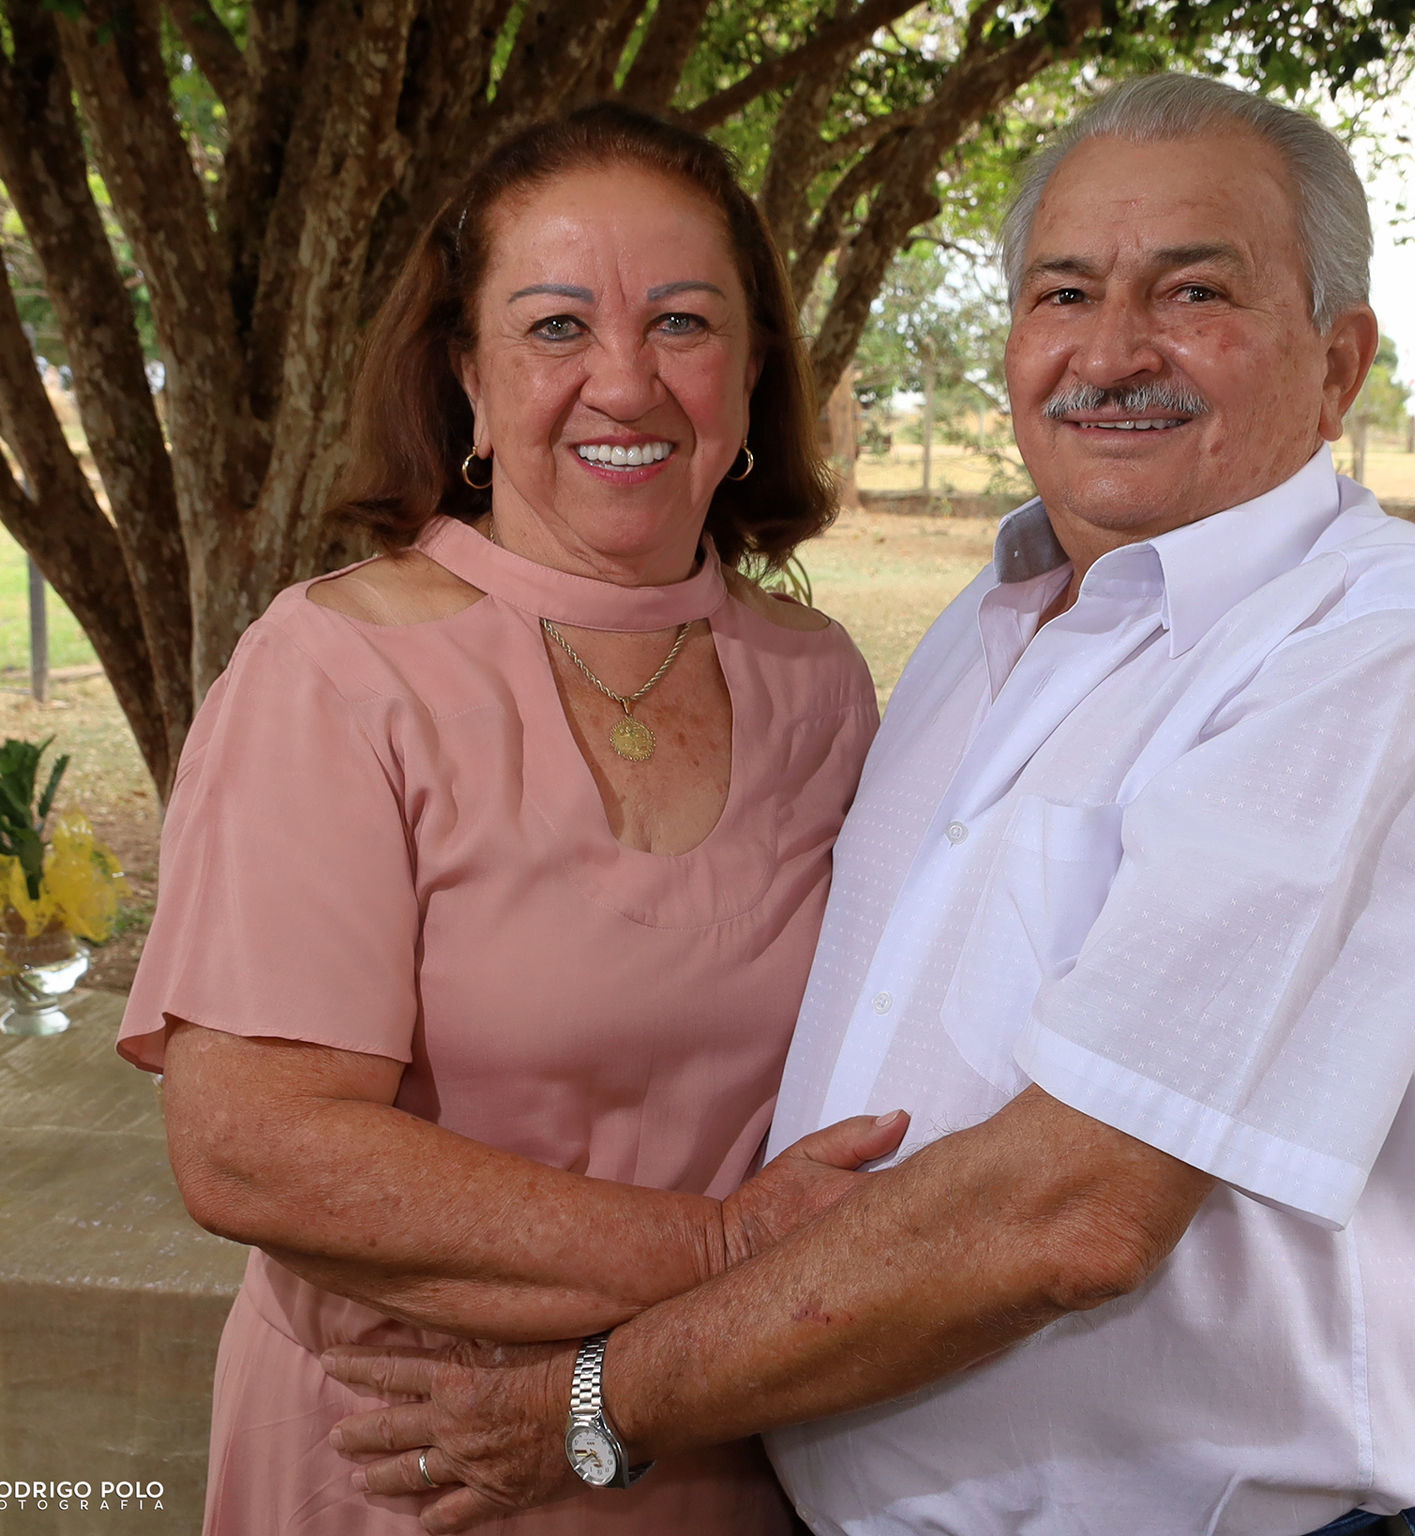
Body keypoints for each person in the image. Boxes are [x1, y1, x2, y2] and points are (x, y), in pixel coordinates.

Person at [325, 73, 1415, 1536]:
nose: (1111, 352)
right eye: (1064, 292)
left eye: (1193, 292)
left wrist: (602, 1404)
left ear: (1337, 362)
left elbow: (1074, 1212)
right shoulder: (997, 628)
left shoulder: (1378, 662)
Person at [116, 103, 909, 1535]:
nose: (625, 382)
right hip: (413, 1466)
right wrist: (729, 1245)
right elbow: (250, 1144)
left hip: (721, 1449)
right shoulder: (339, 673)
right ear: (466, 379)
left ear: (751, 377)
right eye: (555, 328)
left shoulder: (820, 686)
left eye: (682, 323)